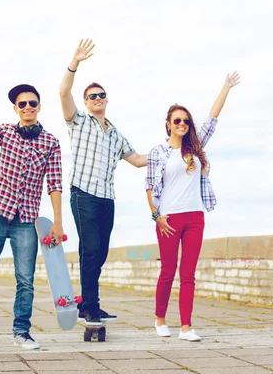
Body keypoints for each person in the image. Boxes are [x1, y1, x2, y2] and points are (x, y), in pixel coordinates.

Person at [146, 72, 241, 342]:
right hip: (169, 218)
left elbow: (212, 120)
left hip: (195, 217)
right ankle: (160, 319)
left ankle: (186, 326)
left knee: (188, 274)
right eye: (177, 120)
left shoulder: (195, 148)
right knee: (168, 271)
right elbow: (150, 187)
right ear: (168, 124)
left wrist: (225, 87)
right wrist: (156, 216)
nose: (182, 124)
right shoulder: (158, 152)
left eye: (186, 121)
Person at [59, 39, 147, 326]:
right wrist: (75, 63)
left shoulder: (116, 134)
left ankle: (87, 302)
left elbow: (136, 160)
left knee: (100, 253)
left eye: (102, 95)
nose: (97, 99)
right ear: (86, 102)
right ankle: (92, 308)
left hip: (107, 199)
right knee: (91, 248)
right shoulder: (79, 122)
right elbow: (63, 93)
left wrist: (172, 151)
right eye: (92, 96)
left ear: (107, 99)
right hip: (83, 195)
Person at [0, 79, 63, 349]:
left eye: (32, 103)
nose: (27, 107)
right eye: (22, 104)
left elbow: (55, 184)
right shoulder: (7, 132)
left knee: (26, 279)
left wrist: (57, 222)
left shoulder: (51, 142)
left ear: (39, 107)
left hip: (26, 221)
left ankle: (21, 330)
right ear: (15, 109)